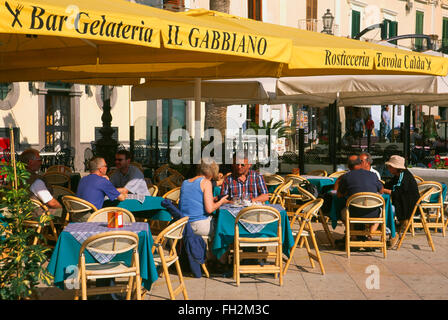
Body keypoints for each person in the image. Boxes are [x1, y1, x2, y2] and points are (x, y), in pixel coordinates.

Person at [336, 155, 384, 250]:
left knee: (343, 211)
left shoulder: (346, 177)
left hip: (354, 213)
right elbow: (381, 191)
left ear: (348, 167)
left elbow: (339, 195)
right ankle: (369, 237)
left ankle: (353, 238)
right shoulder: (372, 175)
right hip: (373, 213)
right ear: (360, 163)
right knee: (381, 211)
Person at [179, 158, 230, 237]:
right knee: (225, 227)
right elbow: (209, 209)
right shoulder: (206, 182)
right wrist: (221, 202)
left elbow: (194, 200)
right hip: (198, 226)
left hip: (183, 225)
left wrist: (212, 199)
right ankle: (218, 249)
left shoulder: (185, 182)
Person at [383, 155, 420, 248]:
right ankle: (393, 232)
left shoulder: (403, 176)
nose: (388, 168)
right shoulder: (399, 175)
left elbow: (397, 192)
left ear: (396, 168)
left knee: (388, 210)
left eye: (390, 167)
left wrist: (383, 190)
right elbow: (390, 185)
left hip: (407, 206)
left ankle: (393, 233)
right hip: (404, 203)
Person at [19, 148, 63, 217]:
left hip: (23, 214)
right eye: (39, 160)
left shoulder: (17, 178)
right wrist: (62, 208)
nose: (41, 163)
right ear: (31, 162)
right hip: (38, 215)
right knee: (66, 211)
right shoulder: (36, 181)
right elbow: (52, 203)